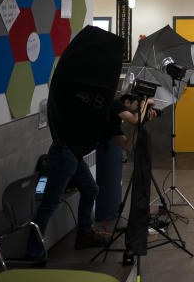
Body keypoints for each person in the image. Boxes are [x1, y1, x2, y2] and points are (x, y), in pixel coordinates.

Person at [26, 94, 155, 260]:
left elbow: (127, 145)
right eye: (137, 105)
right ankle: (33, 250)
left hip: (73, 155)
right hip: (64, 152)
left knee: (91, 189)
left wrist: (141, 123)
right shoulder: (113, 104)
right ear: (126, 102)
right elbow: (134, 119)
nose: (139, 110)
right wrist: (146, 103)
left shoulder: (113, 123)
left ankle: (84, 235)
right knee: (51, 202)